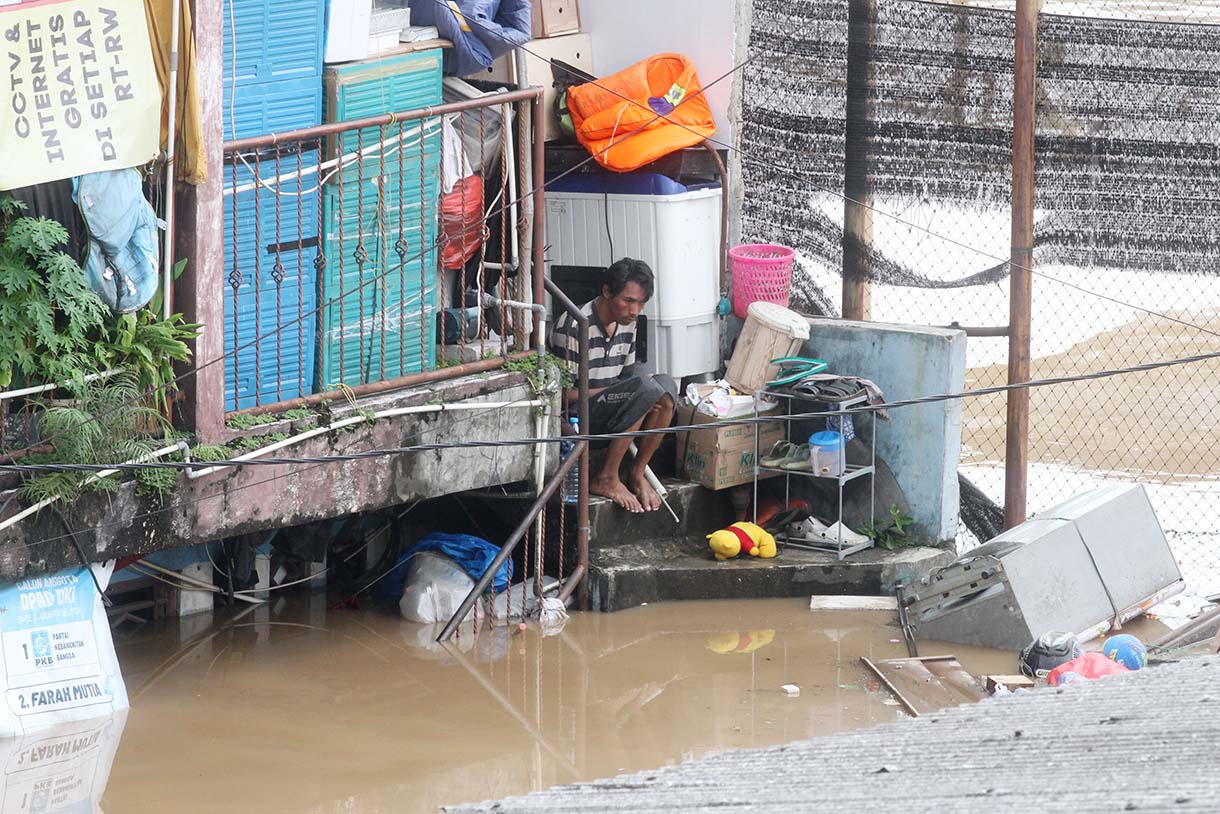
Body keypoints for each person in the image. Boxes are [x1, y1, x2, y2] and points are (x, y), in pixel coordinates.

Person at [550, 258, 676, 513]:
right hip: (576, 416)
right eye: (629, 301)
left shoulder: (629, 324)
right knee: (644, 390)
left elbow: (627, 381)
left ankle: (637, 472)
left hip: (612, 407)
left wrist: (627, 394)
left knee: (665, 387)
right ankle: (606, 477)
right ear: (607, 292)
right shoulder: (574, 325)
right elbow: (561, 396)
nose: (635, 310)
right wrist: (620, 394)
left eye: (641, 303)